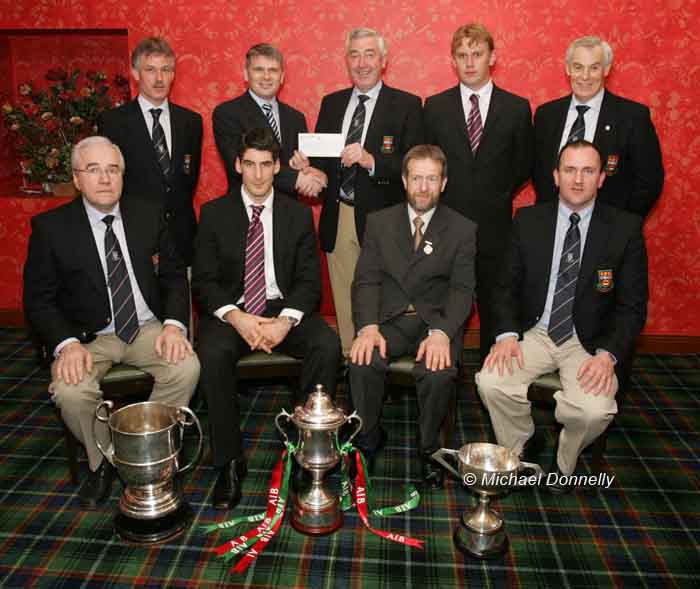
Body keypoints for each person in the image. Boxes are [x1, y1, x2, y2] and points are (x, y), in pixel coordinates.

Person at [24, 136, 200, 509]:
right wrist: (66, 344)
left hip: (146, 326)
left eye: (112, 169)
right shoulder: (51, 228)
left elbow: (172, 277)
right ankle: (103, 459)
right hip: (87, 337)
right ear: (76, 178)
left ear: (122, 175)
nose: (104, 178)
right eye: (93, 169)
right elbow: (39, 300)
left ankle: (150, 453)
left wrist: (173, 325)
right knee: (71, 392)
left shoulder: (148, 213)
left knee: (186, 367)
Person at [476, 140, 648, 493]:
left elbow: (632, 305)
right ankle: (523, 441)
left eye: (588, 171)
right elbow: (503, 286)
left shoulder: (625, 228)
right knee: (490, 382)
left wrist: (608, 355)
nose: (578, 179)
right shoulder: (528, 220)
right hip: (535, 332)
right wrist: (507, 335)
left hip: (589, 341)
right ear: (555, 176)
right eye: (570, 170)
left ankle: (564, 460)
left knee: (594, 411)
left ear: (601, 178)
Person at [192, 128, 341, 510]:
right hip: (233, 311)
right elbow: (205, 282)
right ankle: (227, 461)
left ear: (277, 167)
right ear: (238, 166)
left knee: (326, 344)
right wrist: (236, 317)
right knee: (211, 354)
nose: (258, 175)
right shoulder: (213, 214)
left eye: (265, 165)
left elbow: (310, 282)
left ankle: (307, 452)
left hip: (281, 308)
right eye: (250, 165)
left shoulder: (297, 214)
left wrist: (285, 321)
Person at [348, 144, 476, 489]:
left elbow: (463, 290)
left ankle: (430, 449)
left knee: (436, 371)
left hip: (434, 321)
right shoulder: (379, 222)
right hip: (387, 321)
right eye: (416, 178)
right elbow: (366, 280)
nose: (423, 187)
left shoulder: (462, 229)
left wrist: (442, 332)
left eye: (431, 179)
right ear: (404, 180)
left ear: (443, 183)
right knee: (361, 360)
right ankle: (369, 437)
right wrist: (367, 327)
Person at [300, 27, 423, 356]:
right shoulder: (332, 103)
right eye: (354, 55)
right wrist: (309, 170)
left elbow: (415, 168)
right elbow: (324, 163)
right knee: (344, 294)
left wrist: (372, 161)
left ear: (384, 61)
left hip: (387, 219)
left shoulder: (407, 105)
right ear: (347, 61)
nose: (362, 62)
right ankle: (348, 357)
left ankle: (377, 360)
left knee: (383, 296)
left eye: (370, 54)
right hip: (339, 213)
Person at [424, 23, 534, 362]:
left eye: (477, 54)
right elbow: (429, 165)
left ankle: (492, 378)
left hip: (496, 228)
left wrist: (494, 194)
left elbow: (524, 165)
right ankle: (443, 375)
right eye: (462, 55)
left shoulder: (516, 107)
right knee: (444, 311)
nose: (470, 62)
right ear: (453, 61)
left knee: (494, 309)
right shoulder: (435, 106)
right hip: (446, 227)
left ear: (492, 57)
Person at [533, 36, 664, 218]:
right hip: (550, 227)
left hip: (609, 233)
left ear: (606, 69)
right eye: (578, 67)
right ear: (568, 68)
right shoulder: (546, 115)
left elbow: (649, 182)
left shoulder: (633, 117)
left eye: (594, 68)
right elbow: (538, 173)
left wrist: (621, 226)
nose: (585, 76)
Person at [99, 36, 203, 264]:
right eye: (150, 70)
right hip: (135, 236)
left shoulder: (191, 122)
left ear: (173, 75)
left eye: (166, 70)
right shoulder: (113, 122)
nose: (159, 78)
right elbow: (110, 181)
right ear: (135, 73)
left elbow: (188, 179)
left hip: (181, 239)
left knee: (181, 299)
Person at [212, 43, 326, 197]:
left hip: (288, 212)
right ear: (246, 74)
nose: (266, 76)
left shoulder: (296, 117)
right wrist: (296, 178)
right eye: (259, 70)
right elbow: (238, 164)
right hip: (247, 210)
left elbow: (301, 165)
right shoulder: (227, 114)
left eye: (273, 70)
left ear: (282, 77)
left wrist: (305, 169)